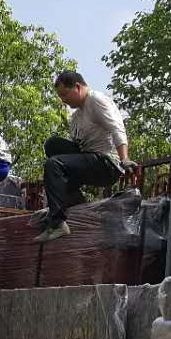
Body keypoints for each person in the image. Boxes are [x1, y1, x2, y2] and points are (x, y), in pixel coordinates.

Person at [39, 71, 132, 243]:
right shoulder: (76, 116)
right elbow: (76, 148)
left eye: (65, 94)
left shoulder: (96, 100)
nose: (63, 100)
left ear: (77, 87)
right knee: (52, 144)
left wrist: (124, 159)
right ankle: (75, 202)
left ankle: (57, 223)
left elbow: (117, 128)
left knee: (53, 164)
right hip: (88, 157)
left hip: (106, 163)